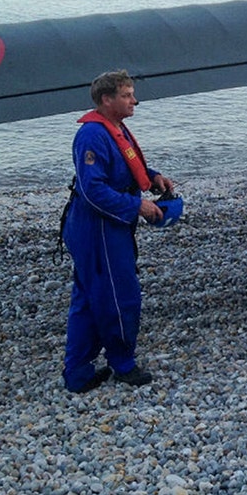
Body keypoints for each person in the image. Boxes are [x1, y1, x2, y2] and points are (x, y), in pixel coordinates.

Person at [61, 70, 174, 393]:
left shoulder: (116, 128)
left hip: (107, 224)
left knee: (87, 296)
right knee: (118, 295)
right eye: (126, 95)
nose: (134, 100)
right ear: (106, 100)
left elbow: (125, 166)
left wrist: (153, 178)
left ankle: (78, 372)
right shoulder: (91, 136)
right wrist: (136, 206)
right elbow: (92, 189)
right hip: (97, 227)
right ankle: (122, 363)